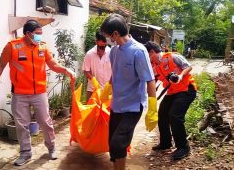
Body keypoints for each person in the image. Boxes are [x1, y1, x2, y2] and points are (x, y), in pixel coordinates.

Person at [0, 20, 75, 166]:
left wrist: (65, 70)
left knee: (45, 122)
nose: (40, 36)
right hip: (19, 94)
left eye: (40, 34)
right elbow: (1, 64)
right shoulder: (13, 46)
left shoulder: (42, 46)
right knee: (22, 125)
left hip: (39, 93)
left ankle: (51, 148)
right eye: (37, 34)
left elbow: (52, 63)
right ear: (28, 34)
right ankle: (26, 153)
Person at [100, 14, 157, 170]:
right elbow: (115, 72)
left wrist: (153, 108)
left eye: (107, 35)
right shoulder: (114, 51)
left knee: (118, 143)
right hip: (117, 104)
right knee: (113, 144)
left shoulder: (138, 51)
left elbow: (149, 80)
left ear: (115, 34)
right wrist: (107, 90)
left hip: (132, 106)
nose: (106, 39)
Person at [144, 41, 197, 160]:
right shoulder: (154, 66)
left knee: (174, 115)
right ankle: (165, 143)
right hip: (173, 92)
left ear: (152, 52)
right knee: (162, 114)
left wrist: (180, 76)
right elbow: (152, 82)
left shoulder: (172, 57)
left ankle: (183, 147)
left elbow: (189, 66)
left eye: (146, 55)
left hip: (186, 89)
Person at [82, 30, 111, 101]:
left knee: (107, 111)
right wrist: (93, 79)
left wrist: (110, 85)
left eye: (104, 47)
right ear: (96, 42)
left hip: (107, 90)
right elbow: (86, 71)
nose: (101, 50)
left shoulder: (111, 53)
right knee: (90, 110)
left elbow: (116, 70)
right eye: (100, 47)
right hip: (92, 89)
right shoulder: (89, 54)